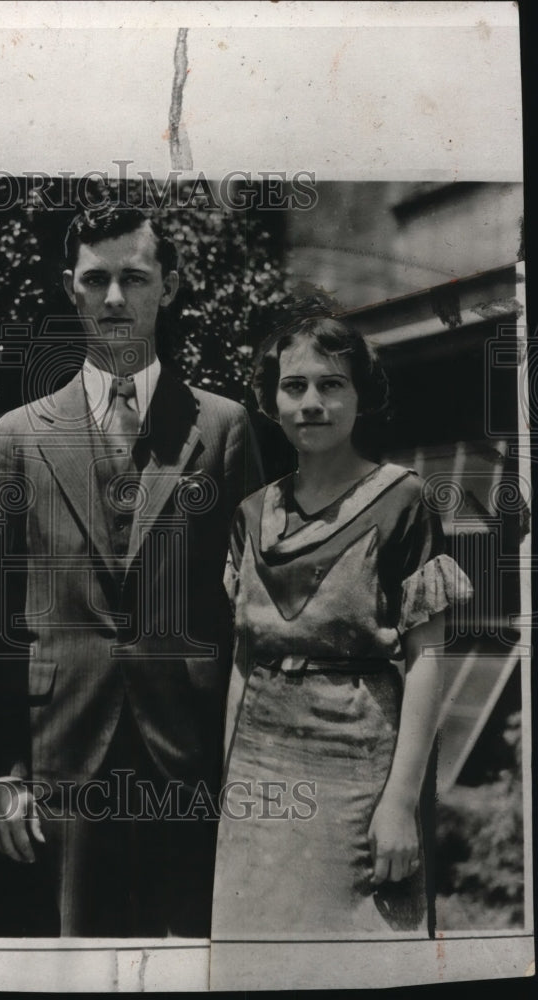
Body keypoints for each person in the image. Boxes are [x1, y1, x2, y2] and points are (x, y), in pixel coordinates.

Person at [0, 205, 263, 937]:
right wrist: (3, 771)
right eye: (95, 279)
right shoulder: (17, 436)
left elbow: (254, 607)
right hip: (59, 746)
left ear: (167, 286)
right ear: (69, 287)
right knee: (74, 963)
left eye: (132, 278)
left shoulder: (223, 428)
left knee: (188, 961)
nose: (113, 299)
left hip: (187, 749)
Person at [211, 312, 473, 936]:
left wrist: (401, 802)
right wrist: (227, 783)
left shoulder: (403, 501)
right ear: (271, 400)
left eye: (332, 385)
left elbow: (427, 659)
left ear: (361, 396)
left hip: (358, 771)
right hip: (258, 772)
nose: (312, 403)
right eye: (294, 386)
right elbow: (244, 660)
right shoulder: (251, 514)